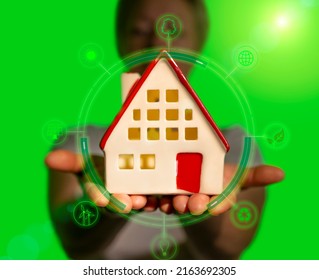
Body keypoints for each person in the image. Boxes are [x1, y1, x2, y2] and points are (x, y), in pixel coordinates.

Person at [45, 0, 284, 259]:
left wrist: (199, 199)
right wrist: (106, 207)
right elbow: (75, 243)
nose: (158, 46)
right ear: (120, 42)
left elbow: (226, 250)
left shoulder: (236, 143)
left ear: (198, 45)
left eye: (175, 31)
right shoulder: (79, 143)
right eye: (138, 30)